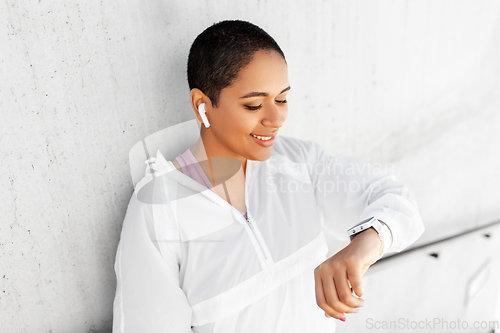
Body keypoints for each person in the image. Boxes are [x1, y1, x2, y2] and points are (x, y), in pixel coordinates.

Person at [112, 20, 425, 332]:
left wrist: (361, 248)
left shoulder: (298, 162)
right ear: (202, 105)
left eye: (282, 99)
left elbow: (398, 203)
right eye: (254, 105)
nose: (276, 119)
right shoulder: (159, 209)